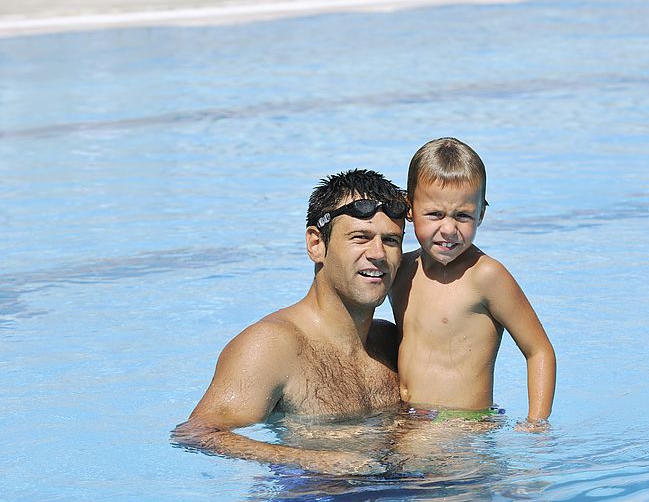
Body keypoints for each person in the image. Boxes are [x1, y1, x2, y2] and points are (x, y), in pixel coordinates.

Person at [173, 169, 409, 474]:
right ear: (316, 245)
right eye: (360, 237)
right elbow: (196, 433)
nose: (378, 254)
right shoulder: (272, 345)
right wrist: (314, 460)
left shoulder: (389, 342)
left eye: (391, 240)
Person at [390, 137, 556, 428]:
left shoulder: (486, 276)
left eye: (463, 216)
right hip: (408, 420)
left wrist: (536, 424)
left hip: (464, 426)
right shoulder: (401, 270)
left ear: (481, 213)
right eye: (435, 214)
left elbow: (538, 349)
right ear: (409, 209)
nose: (449, 229)